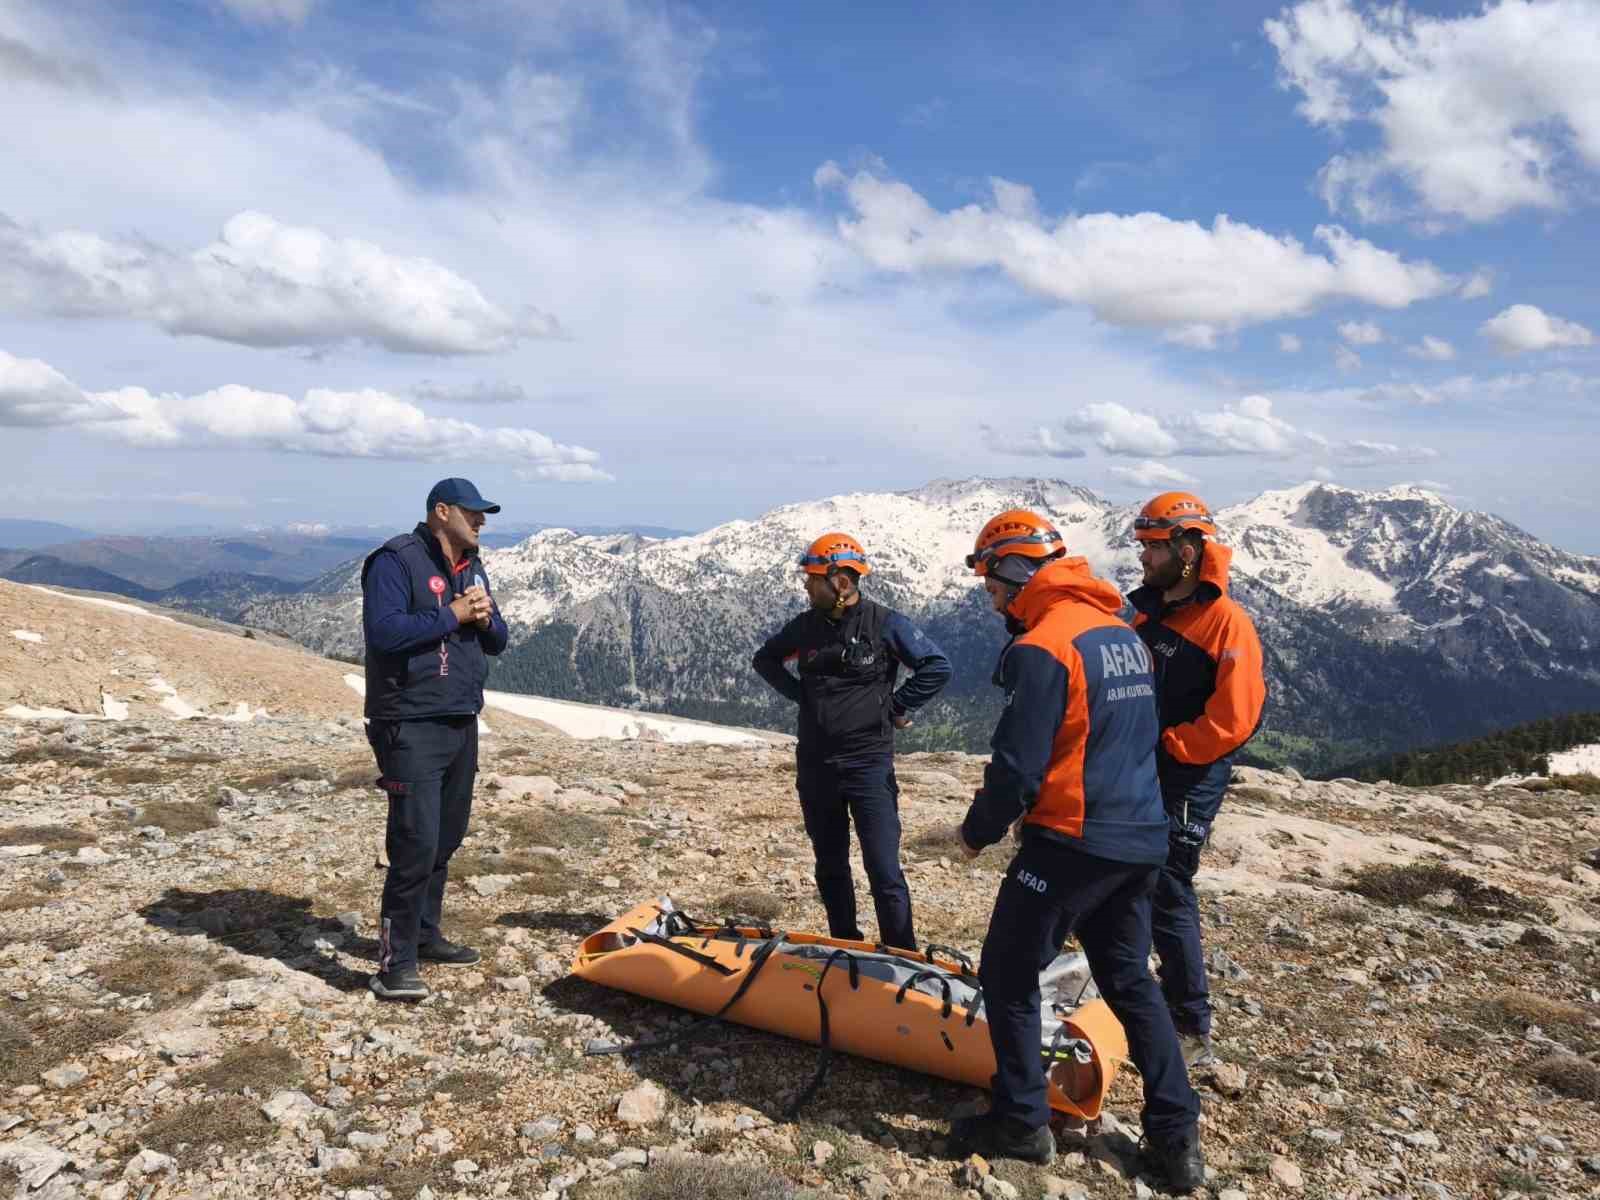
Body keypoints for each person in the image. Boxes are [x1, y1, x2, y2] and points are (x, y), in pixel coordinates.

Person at [947, 509, 1204, 1192]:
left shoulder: (1043, 645)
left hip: (1070, 842)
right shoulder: (1120, 634)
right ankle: (1177, 1140)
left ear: (1014, 569)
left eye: (992, 584)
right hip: (1140, 839)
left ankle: (1021, 1121)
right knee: (1129, 980)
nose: (992, 600)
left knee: (1005, 972)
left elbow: (1017, 769)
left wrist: (977, 832)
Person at [752, 532, 952, 952]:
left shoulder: (885, 623)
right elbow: (764, 659)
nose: (806, 586)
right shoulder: (804, 627)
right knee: (830, 866)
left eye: (812, 579)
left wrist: (895, 705)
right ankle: (846, 945)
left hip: (868, 765)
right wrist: (800, 696)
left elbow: (936, 666)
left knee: (883, 869)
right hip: (816, 765)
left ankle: (903, 954)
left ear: (841, 581)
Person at [1127, 492, 1266, 1067]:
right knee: (1128, 877)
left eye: (1151, 548)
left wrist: (1176, 747)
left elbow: (1237, 716)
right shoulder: (1147, 612)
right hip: (1141, 769)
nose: (1142, 559)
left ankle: (1189, 1021)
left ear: (1185, 549)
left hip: (1188, 777)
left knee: (1168, 888)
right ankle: (1138, 997)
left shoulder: (1226, 621)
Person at [360, 477, 510, 1001]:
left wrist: (486, 619)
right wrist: (453, 615)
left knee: (446, 836)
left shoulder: (472, 566)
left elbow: (499, 641)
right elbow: (383, 633)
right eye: (473, 512)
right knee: (415, 843)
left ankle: (424, 936)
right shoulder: (395, 561)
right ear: (441, 511)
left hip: (459, 718)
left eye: (484, 514)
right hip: (409, 721)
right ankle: (392, 963)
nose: (481, 521)